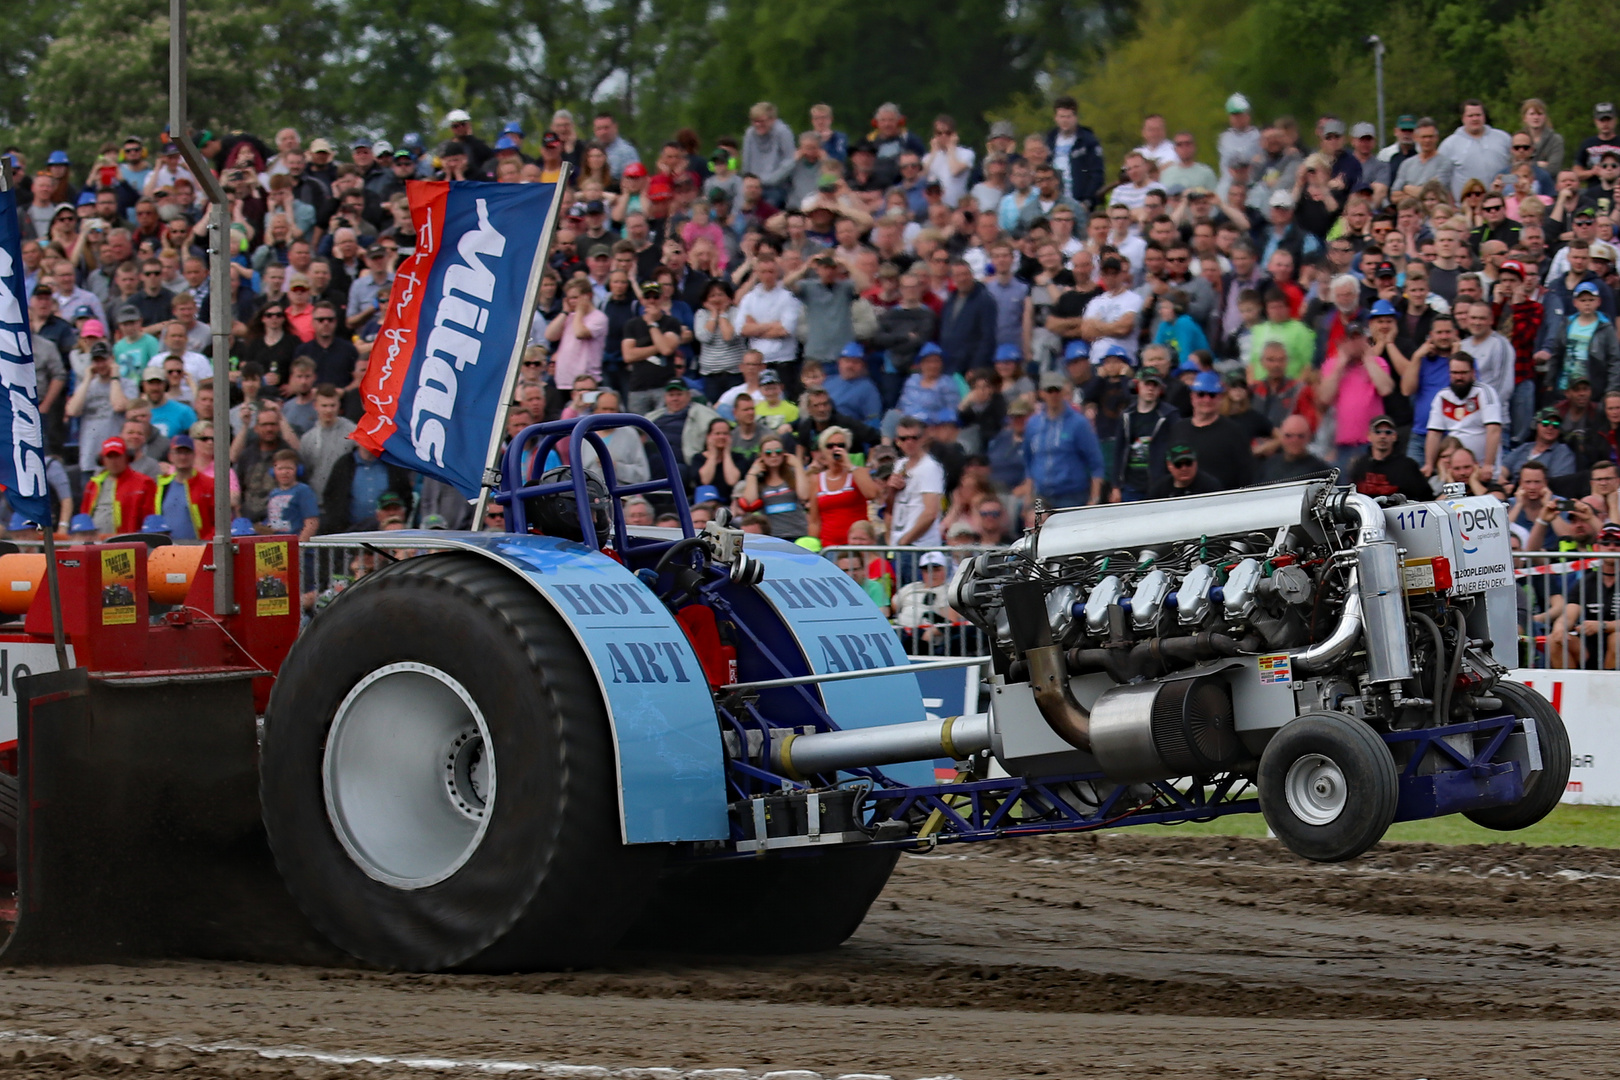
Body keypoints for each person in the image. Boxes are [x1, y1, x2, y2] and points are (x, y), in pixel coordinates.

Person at [1019, 371, 1104, 509]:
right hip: (1041, 495)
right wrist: (1028, 497)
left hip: (1072, 496)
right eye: (1049, 391)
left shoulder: (1079, 423)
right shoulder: (1033, 424)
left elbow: (1096, 462)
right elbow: (1029, 462)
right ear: (1041, 393)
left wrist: (1094, 498)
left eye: (1057, 390)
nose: (1053, 395)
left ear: (1063, 392)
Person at [1316, 321, 1395, 466]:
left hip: (1371, 443)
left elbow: (1385, 389)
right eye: (1351, 339)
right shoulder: (1332, 365)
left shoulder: (1378, 362)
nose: (1355, 343)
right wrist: (1341, 364)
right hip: (1342, 446)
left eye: (1359, 338)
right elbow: (1324, 397)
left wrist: (1368, 360)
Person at [1545, 523, 1620, 669]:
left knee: (1616, 639)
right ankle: (1570, 689)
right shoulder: (1586, 581)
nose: (1611, 547)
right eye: (1606, 542)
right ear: (1597, 548)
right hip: (1587, 646)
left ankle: (1608, 689)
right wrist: (1559, 629)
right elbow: (1568, 616)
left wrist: (1604, 626)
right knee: (1554, 640)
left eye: (1617, 543)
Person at [1168, 371, 1254, 489]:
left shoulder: (1234, 431)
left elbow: (1246, 473)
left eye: (1212, 395)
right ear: (1192, 397)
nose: (1207, 399)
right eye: (1201, 394)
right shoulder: (1179, 429)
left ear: (1219, 398)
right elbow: (1169, 467)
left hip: (1223, 500)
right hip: (1187, 500)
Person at [1423, 353, 1503, 480]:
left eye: (1463, 373)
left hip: (1481, 470)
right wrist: (1429, 464)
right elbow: (1434, 433)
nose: (1458, 377)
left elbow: (1494, 430)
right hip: (1455, 472)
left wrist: (1488, 464)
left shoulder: (1484, 392)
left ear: (1473, 372)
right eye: (1454, 373)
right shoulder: (1442, 396)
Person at [65, 340, 129, 472]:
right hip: (89, 456)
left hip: (115, 456)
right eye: (96, 361)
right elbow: (72, 411)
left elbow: (118, 406)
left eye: (104, 360)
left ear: (112, 359)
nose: (100, 365)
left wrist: (115, 378)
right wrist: (87, 378)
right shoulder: (86, 386)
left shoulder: (127, 384)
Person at [1113, 369, 1176, 502]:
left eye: (1155, 385)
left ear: (1161, 389)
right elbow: (1118, 451)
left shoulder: (1169, 415)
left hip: (1160, 484)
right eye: (1147, 384)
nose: (1150, 389)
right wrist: (1116, 486)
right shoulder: (1127, 416)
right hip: (1131, 486)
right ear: (1137, 386)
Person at [736, 434, 809, 541]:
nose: (774, 455)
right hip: (772, 537)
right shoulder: (759, 481)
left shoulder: (793, 475)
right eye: (768, 453)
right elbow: (750, 501)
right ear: (761, 456)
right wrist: (752, 475)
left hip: (797, 533)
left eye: (778, 452)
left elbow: (804, 495)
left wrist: (798, 465)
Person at [80, 436, 157, 536]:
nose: (114, 461)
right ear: (102, 460)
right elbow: (84, 516)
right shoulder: (92, 484)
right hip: (96, 542)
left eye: (117, 456)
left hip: (128, 543)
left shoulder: (144, 483)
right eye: (109, 457)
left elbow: (150, 518)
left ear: (126, 457)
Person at [1349, 414, 1432, 502]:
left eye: (1388, 432)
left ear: (1394, 436)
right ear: (1369, 436)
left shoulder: (1407, 466)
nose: (1383, 436)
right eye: (1378, 432)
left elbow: (1426, 498)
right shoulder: (1360, 465)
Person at [153, 434, 215, 540]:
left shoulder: (209, 484)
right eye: (178, 453)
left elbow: (220, 523)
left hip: (200, 549)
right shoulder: (162, 485)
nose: (183, 457)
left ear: (194, 455)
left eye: (187, 453)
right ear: (170, 456)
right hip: (168, 550)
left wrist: (207, 544)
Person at [1504, 408, 1578, 480]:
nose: (1550, 427)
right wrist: (1503, 480)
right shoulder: (1525, 446)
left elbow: (1560, 483)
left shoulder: (1563, 452)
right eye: (1545, 423)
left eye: (1556, 425)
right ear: (1535, 425)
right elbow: (1504, 467)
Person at [689, 417, 749, 504]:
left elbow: (732, 481)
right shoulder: (698, 458)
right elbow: (705, 481)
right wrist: (713, 455)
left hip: (731, 504)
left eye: (725, 434)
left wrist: (726, 454)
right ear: (708, 436)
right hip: (705, 503)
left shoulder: (738, 458)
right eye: (717, 433)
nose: (721, 437)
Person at [1261, 415, 1331, 481]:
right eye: (1288, 436)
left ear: (1309, 437)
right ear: (1281, 437)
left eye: (1300, 436)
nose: (1294, 440)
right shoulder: (1268, 466)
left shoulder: (1321, 471)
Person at [1150, 443, 1221, 497]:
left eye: (1188, 463)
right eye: (1178, 464)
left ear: (1195, 463)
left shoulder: (1210, 487)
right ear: (1169, 465)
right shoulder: (1160, 489)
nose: (1184, 468)